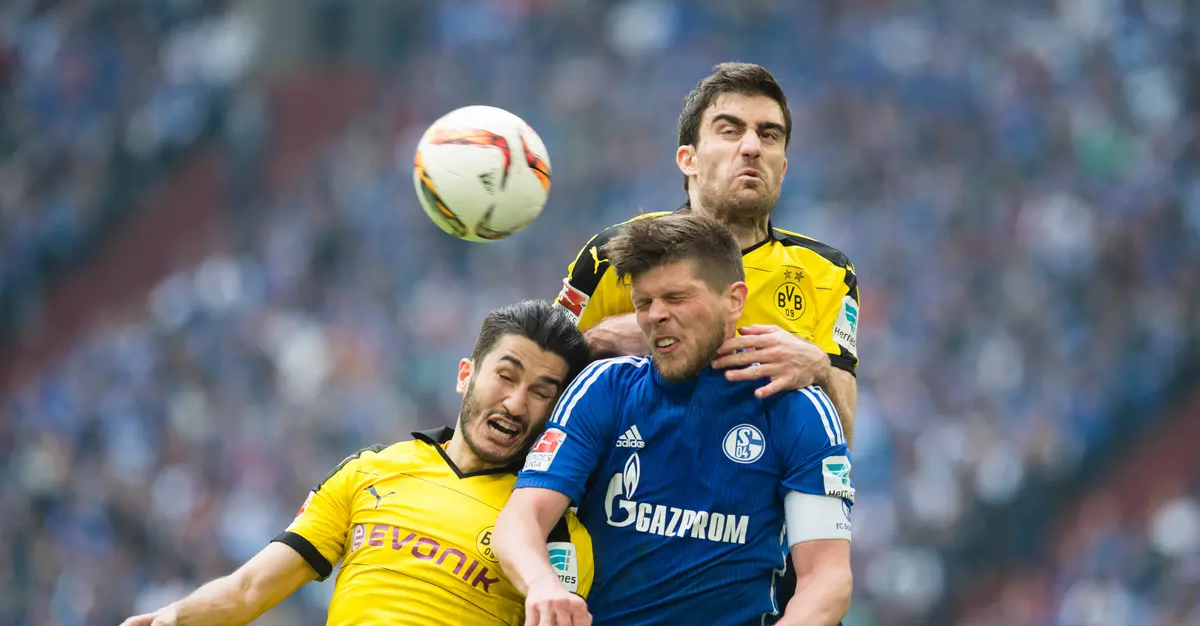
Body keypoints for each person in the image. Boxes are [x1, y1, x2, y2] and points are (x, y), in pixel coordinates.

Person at [121, 301, 595, 626]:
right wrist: (174, 617)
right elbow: (249, 589)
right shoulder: (369, 471)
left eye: (540, 392)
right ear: (465, 375)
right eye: (506, 376)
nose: (515, 403)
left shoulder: (551, 529)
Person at [496, 214, 854, 626]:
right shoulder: (604, 388)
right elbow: (521, 519)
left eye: (676, 297)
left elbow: (826, 578)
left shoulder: (797, 408)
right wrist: (542, 583)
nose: (655, 316)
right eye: (644, 303)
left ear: (734, 299)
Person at [554, 62, 860, 447]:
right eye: (729, 131)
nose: (751, 147)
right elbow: (537, 383)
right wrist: (594, 344)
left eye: (768, 135)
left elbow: (844, 437)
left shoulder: (828, 272)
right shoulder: (612, 254)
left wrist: (818, 369)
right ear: (689, 159)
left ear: (782, 168)